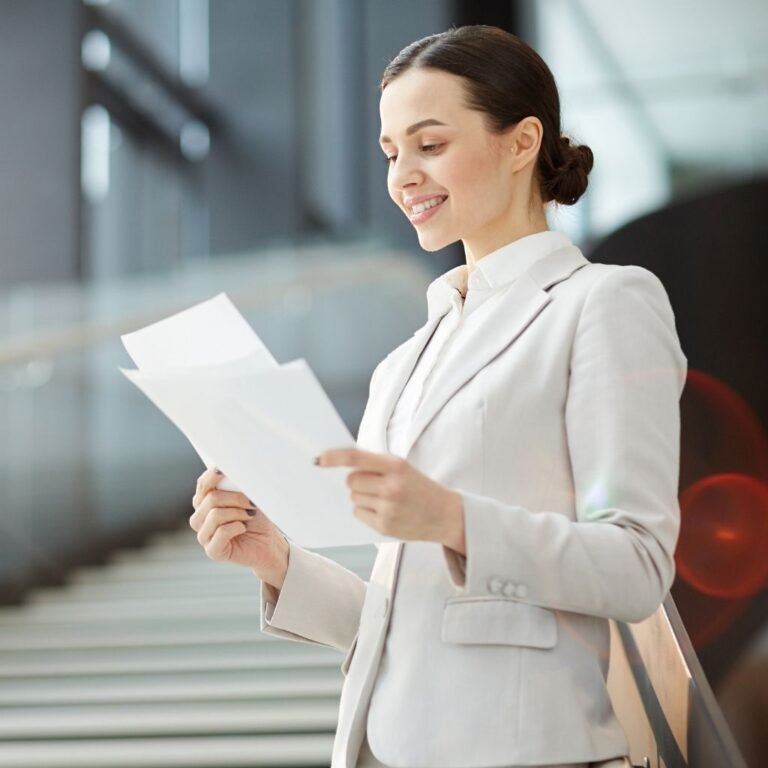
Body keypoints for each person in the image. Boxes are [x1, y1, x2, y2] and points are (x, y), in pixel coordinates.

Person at [189, 25, 687, 768]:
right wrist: (280, 563)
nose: (402, 176)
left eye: (429, 144)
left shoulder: (603, 304)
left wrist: (454, 519)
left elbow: (637, 566)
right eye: (391, 153)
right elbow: (409, 624)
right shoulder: (403, 365)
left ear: (521, 143)